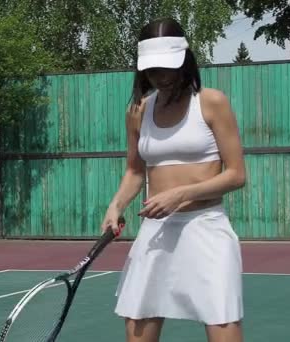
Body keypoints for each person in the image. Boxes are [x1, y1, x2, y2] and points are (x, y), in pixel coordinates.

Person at [101, 17, 246, 342]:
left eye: (166, 67)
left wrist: (180, 195)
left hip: (206, 227)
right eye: (151, 69)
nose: (159, 77)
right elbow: (135, 172)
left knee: (223, 324)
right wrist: (116, 205)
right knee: (138, 325)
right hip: (156, 233)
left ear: (184, 60)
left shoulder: (211, 102)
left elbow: (237, 175)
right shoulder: (138, 110)